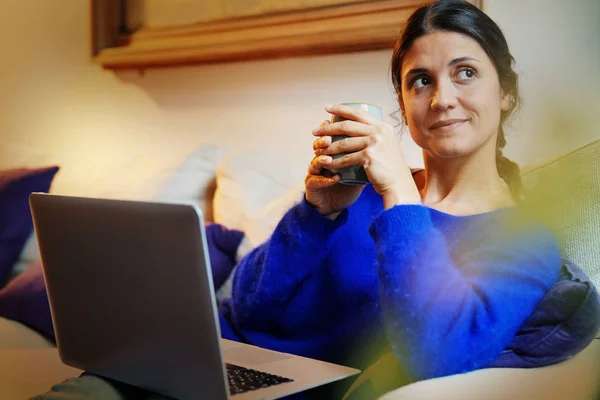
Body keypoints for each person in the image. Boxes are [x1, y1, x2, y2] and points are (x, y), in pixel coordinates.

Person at [35, 0, 564, 399]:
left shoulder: (522, 239)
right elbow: (248, 306)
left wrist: (401, 197)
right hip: (197, 364)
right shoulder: (357, 193)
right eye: (419, 80)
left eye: (465, 72)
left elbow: (442, 354)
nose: (442, 97)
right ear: (405, 104)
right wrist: (316, 214)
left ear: (507, 92)